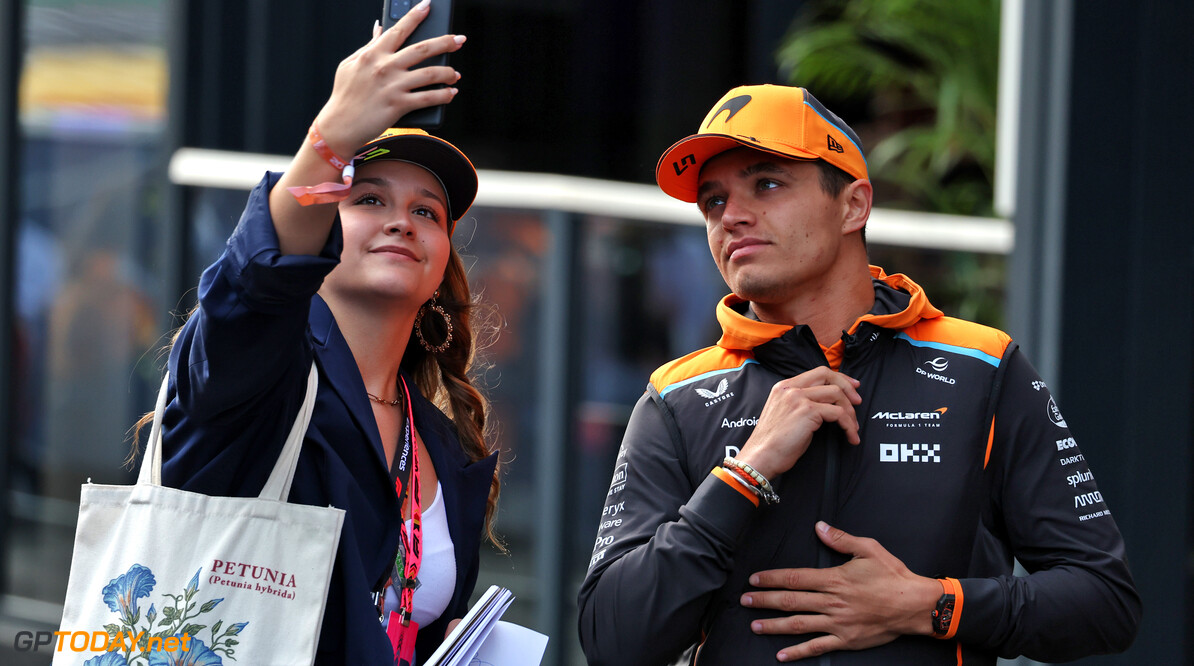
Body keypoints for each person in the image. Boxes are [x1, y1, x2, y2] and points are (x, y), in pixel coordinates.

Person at [576, 84, 1140, 665]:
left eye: (766, 184)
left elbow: (1105, 600)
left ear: (853, 206)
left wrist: (931, 605)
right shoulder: (678, 396)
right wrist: (746, 472)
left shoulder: (983, 367)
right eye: (714, 201)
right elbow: (612, 641)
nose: (733, 216)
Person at [141, 4, 501, 664]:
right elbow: (248, 294)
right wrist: (327, 143)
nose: (402, 220)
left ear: (443, 262)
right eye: (369, 199)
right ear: (318, 237)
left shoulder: (441, 440)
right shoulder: (259, 380)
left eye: (427, 210)